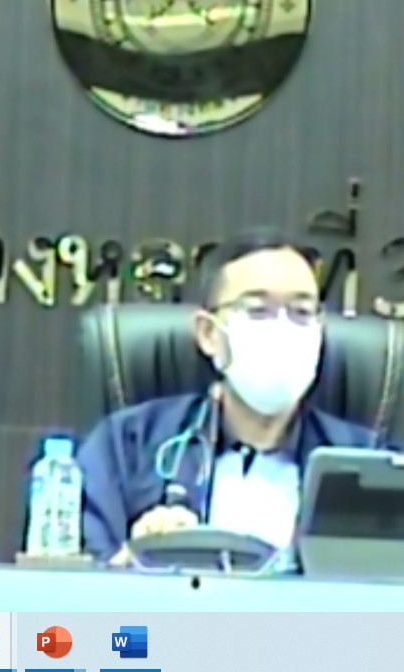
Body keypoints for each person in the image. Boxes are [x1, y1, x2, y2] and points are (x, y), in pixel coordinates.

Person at [75, 228, 386, 566]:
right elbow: (74, 579)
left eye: (301, 312)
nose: (282, 329)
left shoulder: (368, 463)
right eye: (257, 310)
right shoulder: (127, 445)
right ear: (209, 333)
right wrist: (137, 560)